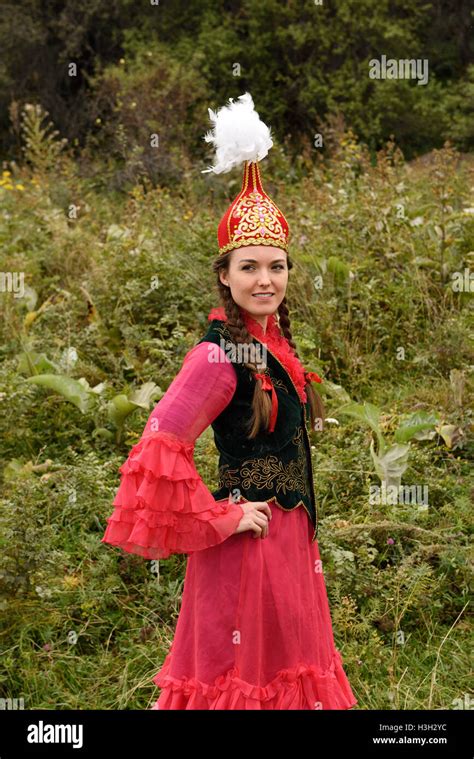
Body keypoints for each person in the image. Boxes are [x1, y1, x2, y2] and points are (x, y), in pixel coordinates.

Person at [101, 93, 358, 710]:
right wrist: (223, 516)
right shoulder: (218, 356)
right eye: (250, 267)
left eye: (277, 266)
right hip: (248, 546)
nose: (265, 280)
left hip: (292, 542)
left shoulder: (277, 345)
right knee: (241, 679)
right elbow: (158, 446)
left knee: (285, 672)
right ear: (225, 274)